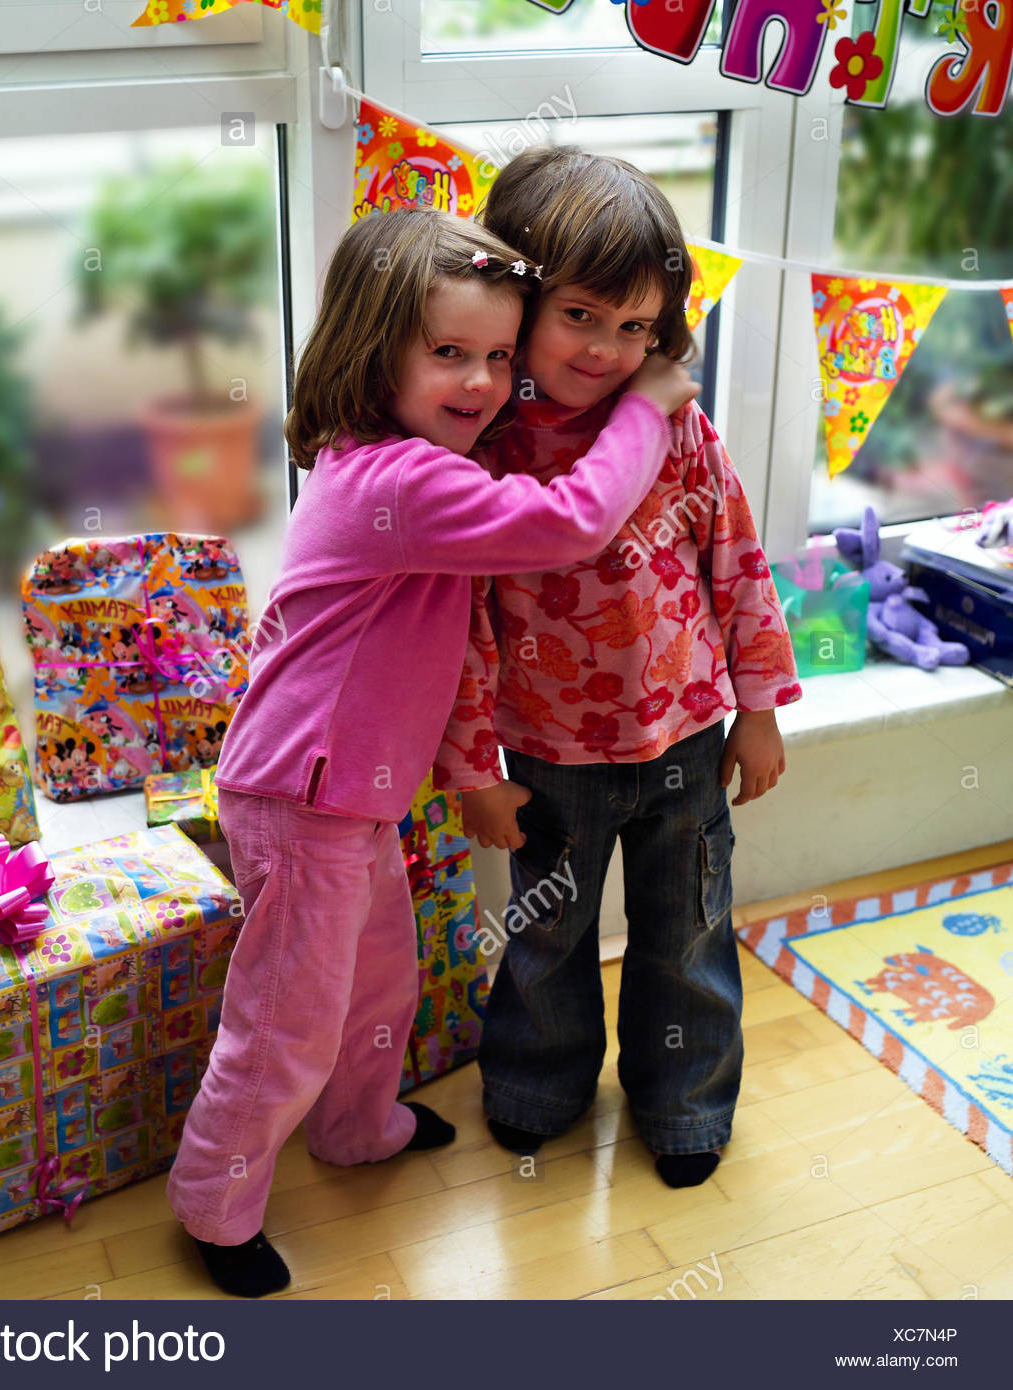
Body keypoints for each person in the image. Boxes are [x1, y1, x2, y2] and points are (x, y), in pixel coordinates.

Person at [165, 206, 699, 1296]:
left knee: (376, 983)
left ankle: (358, 1129)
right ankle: (212, 1203)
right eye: (448, 353)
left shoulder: (392, 461)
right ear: (374, 353)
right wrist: (642, 407)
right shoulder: (398, 483)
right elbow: (570, 523)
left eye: (501, 355)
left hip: (345, 795)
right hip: (301, 794)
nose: (482, 381)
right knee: (284, 1020)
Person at [435, 149, 802, 1190]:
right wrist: (470, 767)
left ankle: (683, 1100)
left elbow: (737, 562)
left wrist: (760, 709)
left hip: (686, 746)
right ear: (520, 298)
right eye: (583, 317)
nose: (609, 350)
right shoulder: (483, 451)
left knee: (684, 936)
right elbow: (456, 624)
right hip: (546, 756)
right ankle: (534, 1089)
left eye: (636, 326)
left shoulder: (676, 424)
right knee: (545, 937)